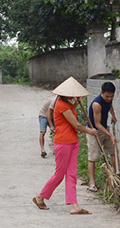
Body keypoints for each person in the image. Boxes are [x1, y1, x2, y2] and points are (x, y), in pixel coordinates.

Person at [32, 77, 98, 215]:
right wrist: (90, 131)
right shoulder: (60, 104)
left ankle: (74, 206)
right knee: (60, 174)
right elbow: (76, 125)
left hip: (73, 142)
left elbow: (69, 114)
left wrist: (75, 104)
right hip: (63, 143)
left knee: (72, 174)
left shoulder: (66, 104)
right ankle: (40, 197)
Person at [87, 81, 118, 192]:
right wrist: (110, 135)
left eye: (111, 96)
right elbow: (97, 124)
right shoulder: (97, 104)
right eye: (107, 96)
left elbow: (110, 105)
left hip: (105, 129)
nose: (109, 98)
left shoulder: (109, 100)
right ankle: (92, 183)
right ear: (101, 93)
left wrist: (113, 116)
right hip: (94, 131)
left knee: (113, 151)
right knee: (93, 157)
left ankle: (116, 175)